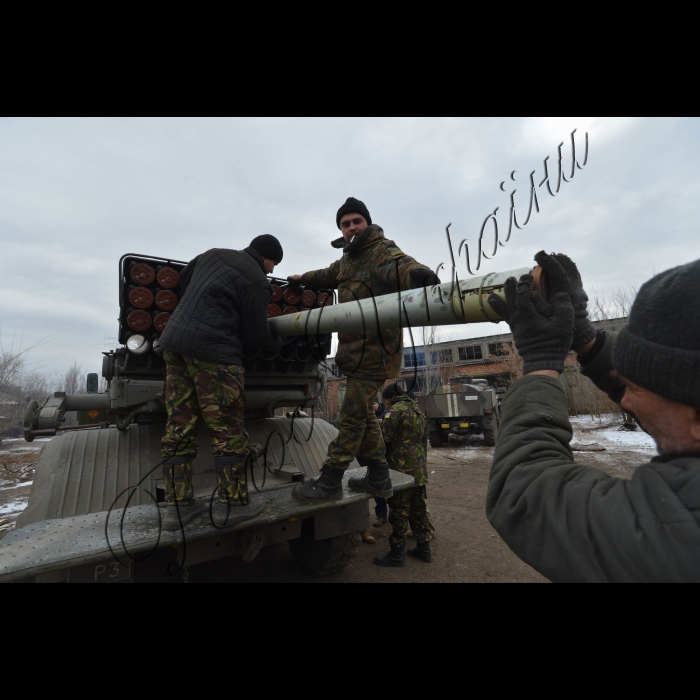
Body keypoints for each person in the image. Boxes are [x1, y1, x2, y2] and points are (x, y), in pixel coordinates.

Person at [486, 252, 700, 582]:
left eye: (636, 388)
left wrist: (541, 360)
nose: (624, 400)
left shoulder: (683, 527)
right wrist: (585, 337)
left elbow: (525, 490)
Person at [288, 198, 439, 503]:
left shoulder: (381, 250)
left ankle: (330, 479)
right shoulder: (347, 260)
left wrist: (419, 276)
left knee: (352, 416)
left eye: (357, 221)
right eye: (345, 224)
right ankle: (378, 476)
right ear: (341, 230)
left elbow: (403, 265)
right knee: (366, 417)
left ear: (367, 223)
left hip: (376, 353)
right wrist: (302, 279)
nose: (352, 227)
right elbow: (327, 275)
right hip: (353, 354)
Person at [158, 235, 284, 531]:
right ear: (267, 258)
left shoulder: (213, 254)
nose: (270, 271)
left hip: (175, 344)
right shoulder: (257, 280)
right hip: (215, 353)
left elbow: (184, 280)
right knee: (227, 429)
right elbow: (256, 333)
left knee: (179, 426)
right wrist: (276, 341)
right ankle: (234, 503)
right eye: (273, 265)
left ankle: (179, 508)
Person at [374, 383, 435, 567]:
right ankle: (424, 550)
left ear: (390, 398)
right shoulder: (416, 410)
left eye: (386, 399)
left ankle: (396, 555)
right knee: (419, 511)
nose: (385, 402)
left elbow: (384, 438)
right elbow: (423, 441)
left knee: (399, 512)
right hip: (418, 469)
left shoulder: (394, 411)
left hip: (401, 470)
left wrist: (377, 428)